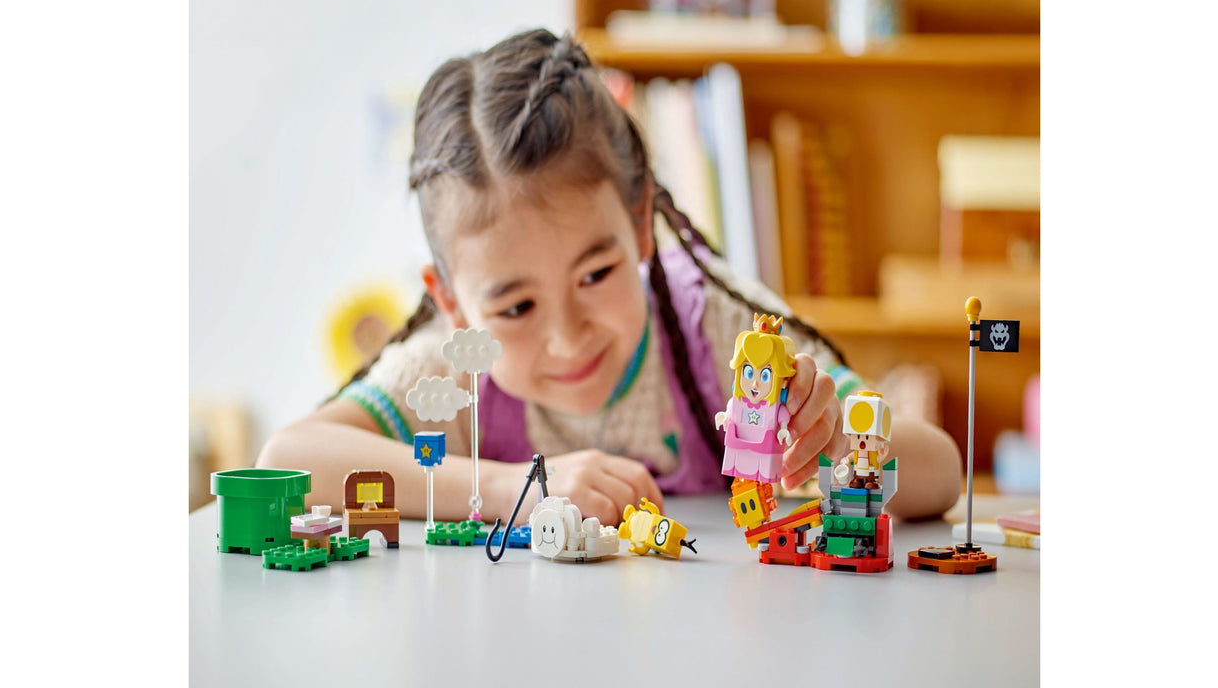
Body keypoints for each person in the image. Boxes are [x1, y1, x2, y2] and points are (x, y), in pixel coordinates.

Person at [257, 29, 961, 526]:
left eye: (595, 274)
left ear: (639, 220)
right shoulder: (453, 372)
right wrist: (511, 490)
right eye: (516, 307)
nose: (568, 336)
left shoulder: (718, 329)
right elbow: (286, 462)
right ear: (454, 306)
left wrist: (835, 439)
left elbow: (940, 474)